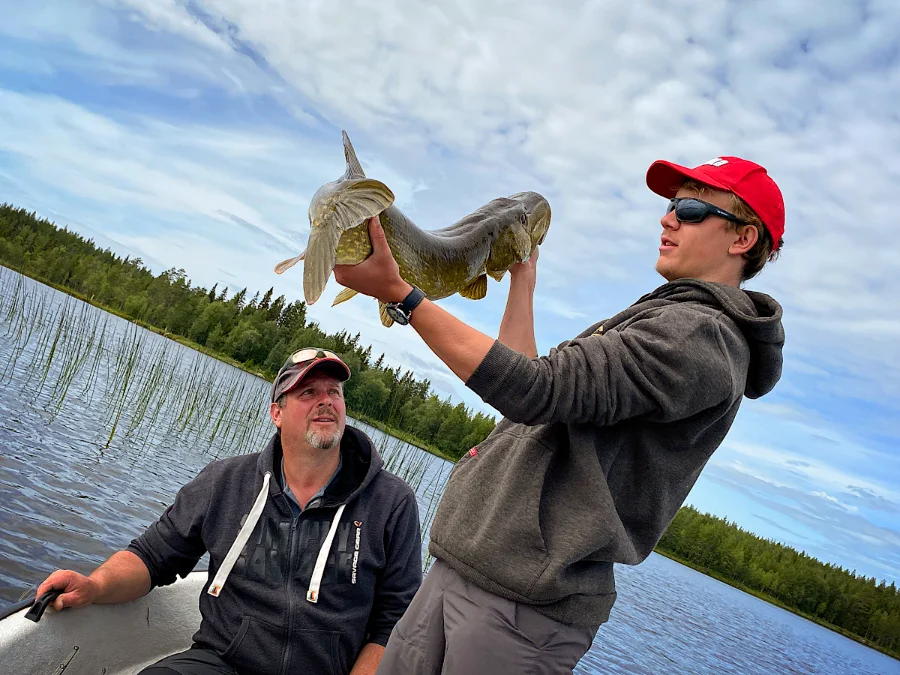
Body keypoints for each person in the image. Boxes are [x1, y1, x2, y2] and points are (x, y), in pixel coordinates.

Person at [332, 156, 786, 674]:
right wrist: (523, 277)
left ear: (742, 239)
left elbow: (533, 389)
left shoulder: (699, 337)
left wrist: (401, 296)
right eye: (668, 206)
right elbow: (525, 395)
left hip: (524, 611)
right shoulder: (662, 317)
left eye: (688, 208)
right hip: (468, 567)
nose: (667, 219)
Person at [35, 349, 423, 675]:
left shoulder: (391, 502)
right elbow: (153, 556)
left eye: (334, 392)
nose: (325, 400)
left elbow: (396, 622)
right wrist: (95, 585)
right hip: (223, 661)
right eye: (308, 391)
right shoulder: (227, 481)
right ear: (277, 412)